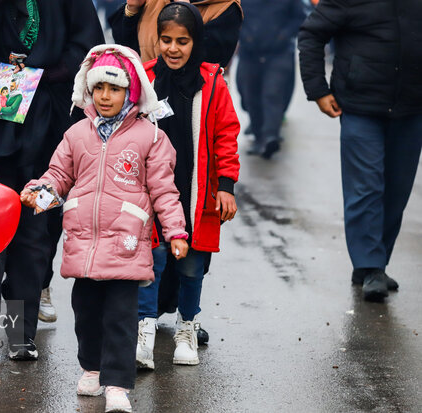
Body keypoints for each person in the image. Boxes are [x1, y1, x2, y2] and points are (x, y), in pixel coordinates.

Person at [21, 43, 189, 413]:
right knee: (85, 312)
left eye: (114, 89)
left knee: (120, 319)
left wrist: (176, 232)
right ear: (89, 90)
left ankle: (117, 384)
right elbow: (59, 176)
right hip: (84, 243)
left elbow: (164, 189)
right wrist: (39, 192)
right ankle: (92, 368)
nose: (106, 96)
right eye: (99, 88)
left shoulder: (151, 137)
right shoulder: (77, 134)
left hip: (127, 245)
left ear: (130, 91)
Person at [0, 0, 104, 360]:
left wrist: (40, 73)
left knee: (36, 232)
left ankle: (21, 333)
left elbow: (87, 49)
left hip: (49, 130)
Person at [134, 2, 240, 369]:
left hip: (197, 192)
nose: (173, 49)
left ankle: (186, 326)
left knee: (193, 265)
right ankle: (143, 328)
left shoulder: (213, 83)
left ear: (196, 42)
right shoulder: (144, 79)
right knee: (152, 259)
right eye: (166, 40)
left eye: (183, 40)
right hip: (151, 192)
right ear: (157, 40)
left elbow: (227, 134)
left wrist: (226, 185)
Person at [298, 0, 422, 302]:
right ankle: (370, 265)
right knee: (366, 186)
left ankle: (372, 261)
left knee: (397, 190)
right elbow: (311, 35)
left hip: (412, 106)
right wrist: (318, 90)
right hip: (360, 107)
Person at [236, 0, 306, 159]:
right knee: (250, 96)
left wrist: (283, 35)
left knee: (272, 94)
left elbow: (299, 19)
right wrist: (244, 36)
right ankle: (258, 135)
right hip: (249, 54)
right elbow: (234, 18)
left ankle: (269, 137)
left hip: (279, 54)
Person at [108, 0, 242, 67]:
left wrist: (183, 10)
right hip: (146, 103)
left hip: (194, 107)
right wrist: (132, 10)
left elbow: (211, 58)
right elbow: (127, 50)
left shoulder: (225, 7)